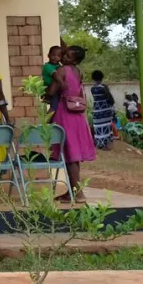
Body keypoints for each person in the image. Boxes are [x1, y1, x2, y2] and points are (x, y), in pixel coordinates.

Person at [45, 45, 96, 200]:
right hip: (78, 116)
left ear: (74, 59)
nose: (63, 58)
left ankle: (77, 193)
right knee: (73, 155)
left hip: (64, 114)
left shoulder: (62, 71)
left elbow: (52, 91)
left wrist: (45, 93)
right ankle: (74, 190)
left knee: (69, 154)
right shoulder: (78, 72)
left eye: (67, 56)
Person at [89, 70, 117, 149]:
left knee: (98, 126)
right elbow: (110, 99)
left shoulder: (92, 88)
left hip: (97, 110)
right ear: (102, 77)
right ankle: (106, 145)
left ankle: (99, 143)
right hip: (105, 110)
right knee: (106, 126)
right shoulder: (103, 87)